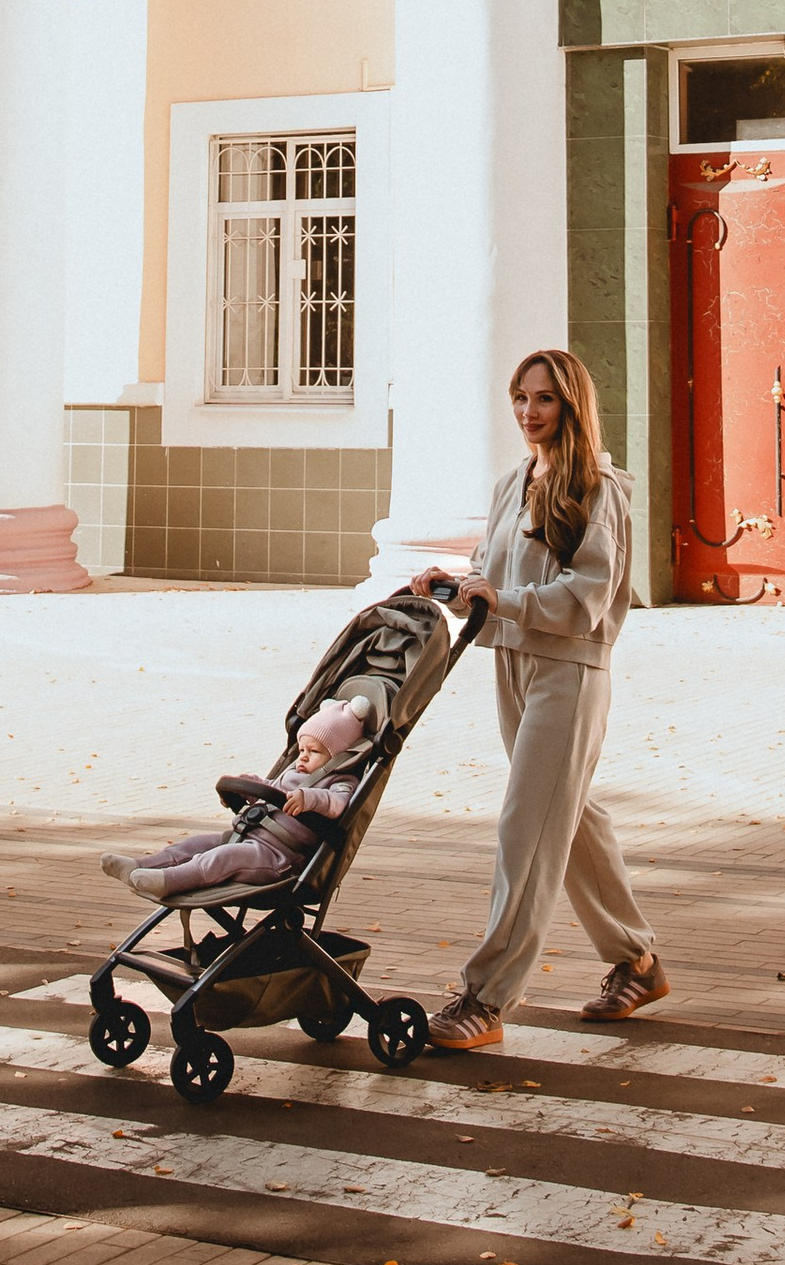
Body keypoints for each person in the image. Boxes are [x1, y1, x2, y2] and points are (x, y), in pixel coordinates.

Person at [414, 346, 668, 1051]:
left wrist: (508, 600)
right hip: (512, 667)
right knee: (571, 820)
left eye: (545, 399)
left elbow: (586, 598)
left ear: (572, 405)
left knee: (525, 830)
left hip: (569, 672)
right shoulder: (512, 482)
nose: (529, 412)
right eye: (520, 398)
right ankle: (636, 962)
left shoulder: (599, 487)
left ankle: (486, 996)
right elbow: (493, 579)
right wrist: (452, 584)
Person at [103, 696, 373, 900]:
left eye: (313, 751)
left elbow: (338, 805)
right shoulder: (294, 770)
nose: (302, 756)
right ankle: (140, 866)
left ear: (337, 755)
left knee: (224, 858)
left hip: (277, 858)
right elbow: (273, 790)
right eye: (301, 748)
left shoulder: (341, 781)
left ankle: (167, 881)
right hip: (248, 836)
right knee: (198, 844)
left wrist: (309, 798)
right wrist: (250, 786)